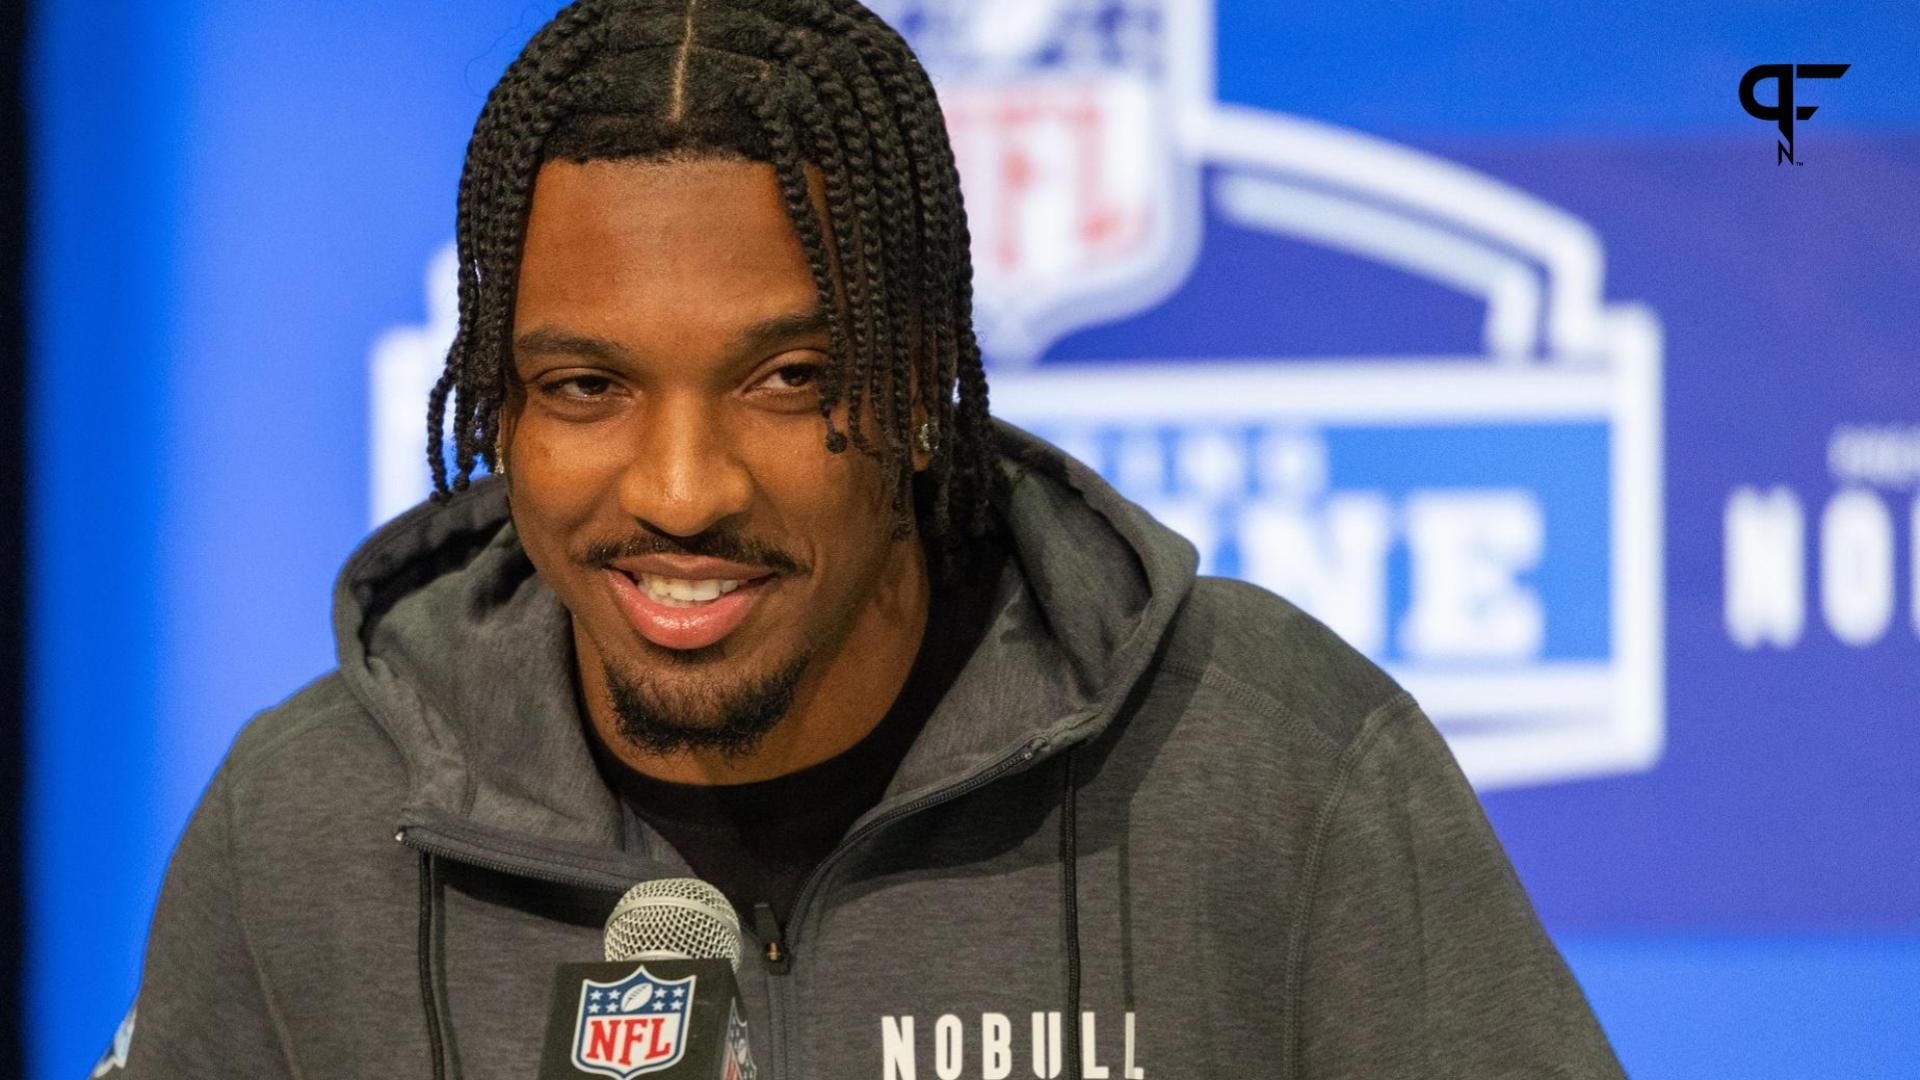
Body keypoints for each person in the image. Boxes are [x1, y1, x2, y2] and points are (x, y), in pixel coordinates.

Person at [106, 2, 1626, 1077]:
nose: (682, 488)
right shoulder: (306, 831)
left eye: (791, 382)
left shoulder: (1275, 769)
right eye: (587, 387)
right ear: (499, 410)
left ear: (919, 388)